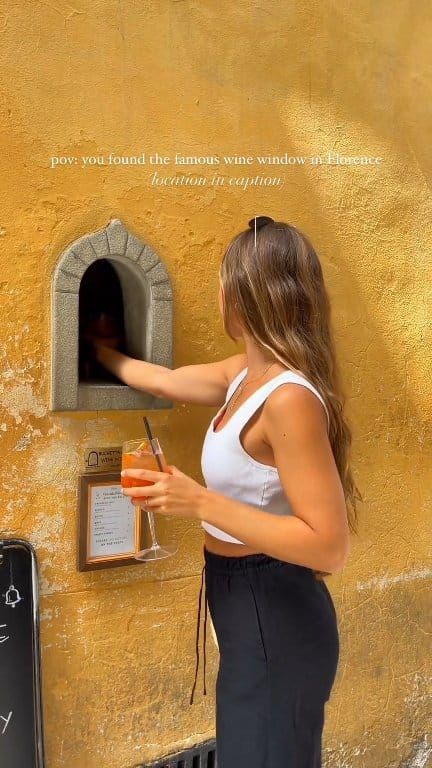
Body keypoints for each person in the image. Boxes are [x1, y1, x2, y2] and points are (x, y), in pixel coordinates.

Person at [88, 216, 361, 768]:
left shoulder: (288, 398)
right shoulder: (244, 375)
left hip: (276, 610)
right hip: (241, 602)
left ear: (242, 293)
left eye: (223, 280)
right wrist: (100, 353)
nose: (218, 293)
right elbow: (164, 380)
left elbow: (330, 545)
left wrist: (199, 503)